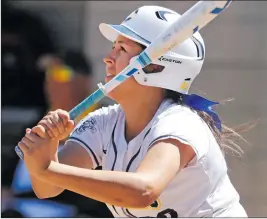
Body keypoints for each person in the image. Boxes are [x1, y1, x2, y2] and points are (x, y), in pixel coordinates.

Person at [17, 5, 248, 217]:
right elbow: (47, 188)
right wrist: (47, 152)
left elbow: (143, 191)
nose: (108, 58)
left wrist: (47, 168)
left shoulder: (179, 121)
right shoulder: (103, 123)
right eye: (113, 47)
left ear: (156, 66)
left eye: (122, 49)